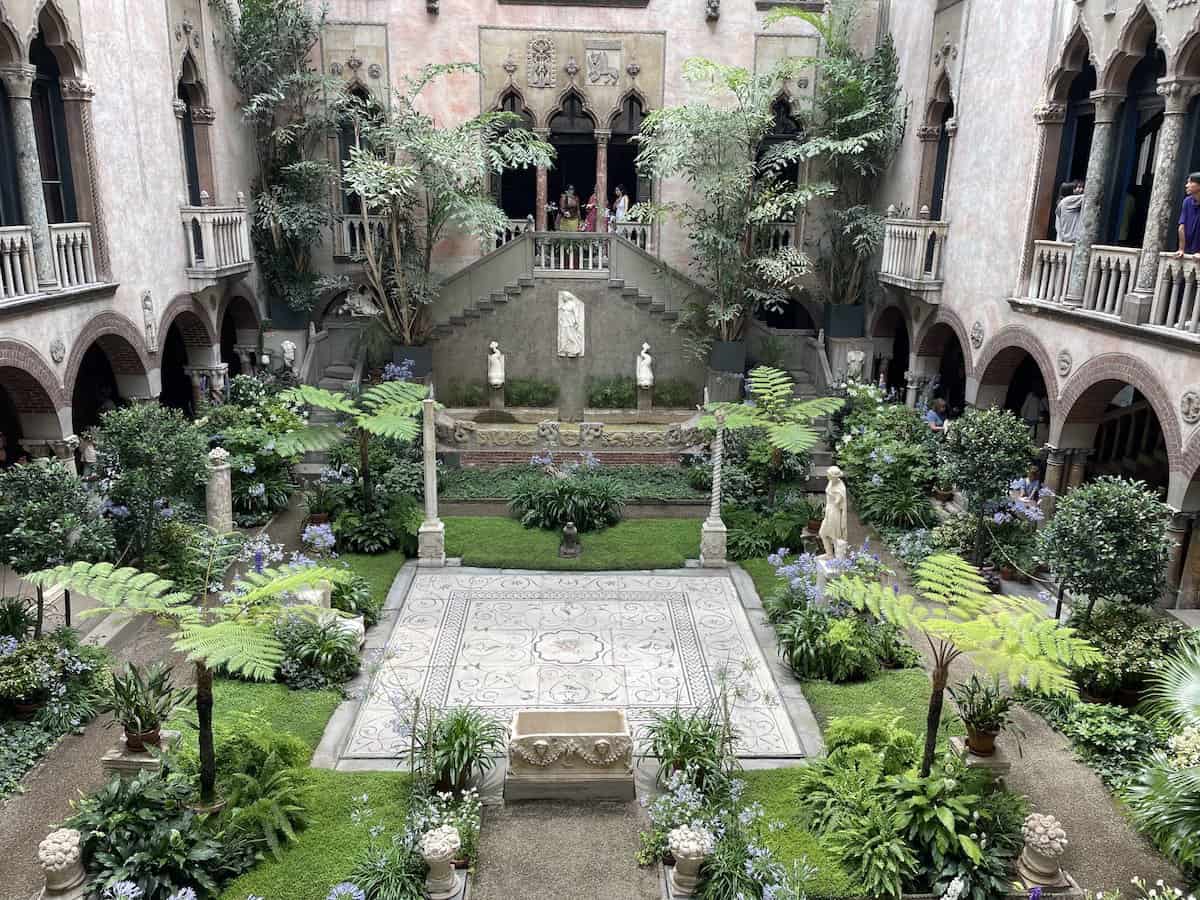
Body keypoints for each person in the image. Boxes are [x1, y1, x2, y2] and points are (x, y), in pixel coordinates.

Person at [1177, 172, 1200, 258]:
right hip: (1188, 250)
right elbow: (1181, 227)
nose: (1187, 185)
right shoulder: (1187, 201)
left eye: (1190, 182)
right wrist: (1181, 249)